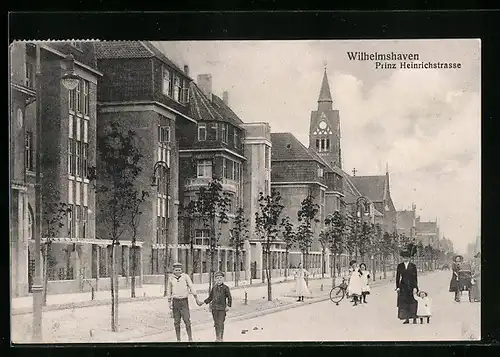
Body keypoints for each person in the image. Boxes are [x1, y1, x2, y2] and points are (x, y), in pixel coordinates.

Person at [167, 262, 199, 342]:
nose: (178, 272)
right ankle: (178, 339)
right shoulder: (170, 278)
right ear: (173, 270)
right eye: (176, 270)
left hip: (184, 301)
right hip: (175, 302)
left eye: (179, 270)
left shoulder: (185, 277)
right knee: (176, 321)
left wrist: (195, 296)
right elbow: (169, 290)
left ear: (182, 270)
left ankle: (190, 338)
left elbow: (191, 286)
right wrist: (169, 301)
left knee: (187, 320)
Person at [198, 271, 232, 342]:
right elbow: (210, 298)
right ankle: (217, 337)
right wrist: (203, 302)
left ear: (223, 279)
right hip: (214, 308)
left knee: (221, 322)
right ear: (215, 279)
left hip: (222, 308)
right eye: (217, 278)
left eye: (220, 278)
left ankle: (221, 337)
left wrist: (228, 306)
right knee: (216, 323)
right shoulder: (214, 288)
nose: (219, 279)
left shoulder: (226, 288)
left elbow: (229, 297)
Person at [396, 250, 419, 324]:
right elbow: (398, 277)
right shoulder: (400, 266)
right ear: (402, 258)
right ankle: (407, 318)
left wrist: (415, 287)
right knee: (404, 303)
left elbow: (415, 277)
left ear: (409, 258)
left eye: (407, 257)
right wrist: (397, 287)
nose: (406, 259)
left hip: (411, 286)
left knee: (412, 302)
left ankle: (414, 318)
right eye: (404, 257)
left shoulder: (413, 266)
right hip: (403, 286)